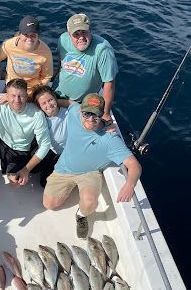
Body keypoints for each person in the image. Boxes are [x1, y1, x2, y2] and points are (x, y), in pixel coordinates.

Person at [43, 93, 142, 239]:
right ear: (80, 111)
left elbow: (134, 165)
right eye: (87, 113)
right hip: (64, 167)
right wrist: (45, 103)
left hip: (89, 173)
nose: (90, 119)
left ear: (102, 115)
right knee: (49, 204)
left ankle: (81, 216)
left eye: (95, 115)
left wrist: (129, 184)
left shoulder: (110, 139)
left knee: (90, 203)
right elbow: (69, 103)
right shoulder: (74, 112)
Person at [54, 13, 118, 121]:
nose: (81, 37)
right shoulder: (63, 40)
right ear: (69, 34)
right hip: (58, 92)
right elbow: (60, 58)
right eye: (76, 34)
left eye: (84, 32)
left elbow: (109, 83)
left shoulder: (103, 50)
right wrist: (55, 74)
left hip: (84, 103)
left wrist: (106, 114)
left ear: (90, 30)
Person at [0, 15, 53, 98]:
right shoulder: (9, 44)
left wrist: (32, 93)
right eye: (26, 35)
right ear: (20, 34)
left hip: (32, 90)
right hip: (12, 87)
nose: (29, 38)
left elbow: (47, 76)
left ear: (38, 35)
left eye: (33, 35)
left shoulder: (45, 52)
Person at [32, 85, 68, 187]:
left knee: (44, 183)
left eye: (50, 100)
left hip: (64, 153)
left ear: (56, 99)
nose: (48, 104)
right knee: (33, 169)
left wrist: (104, 123)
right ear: (39, 106)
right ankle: (47, 166)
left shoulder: (68, 113)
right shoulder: (40, 117)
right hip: (49, 148)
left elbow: (84, 115)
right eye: (44, 103)